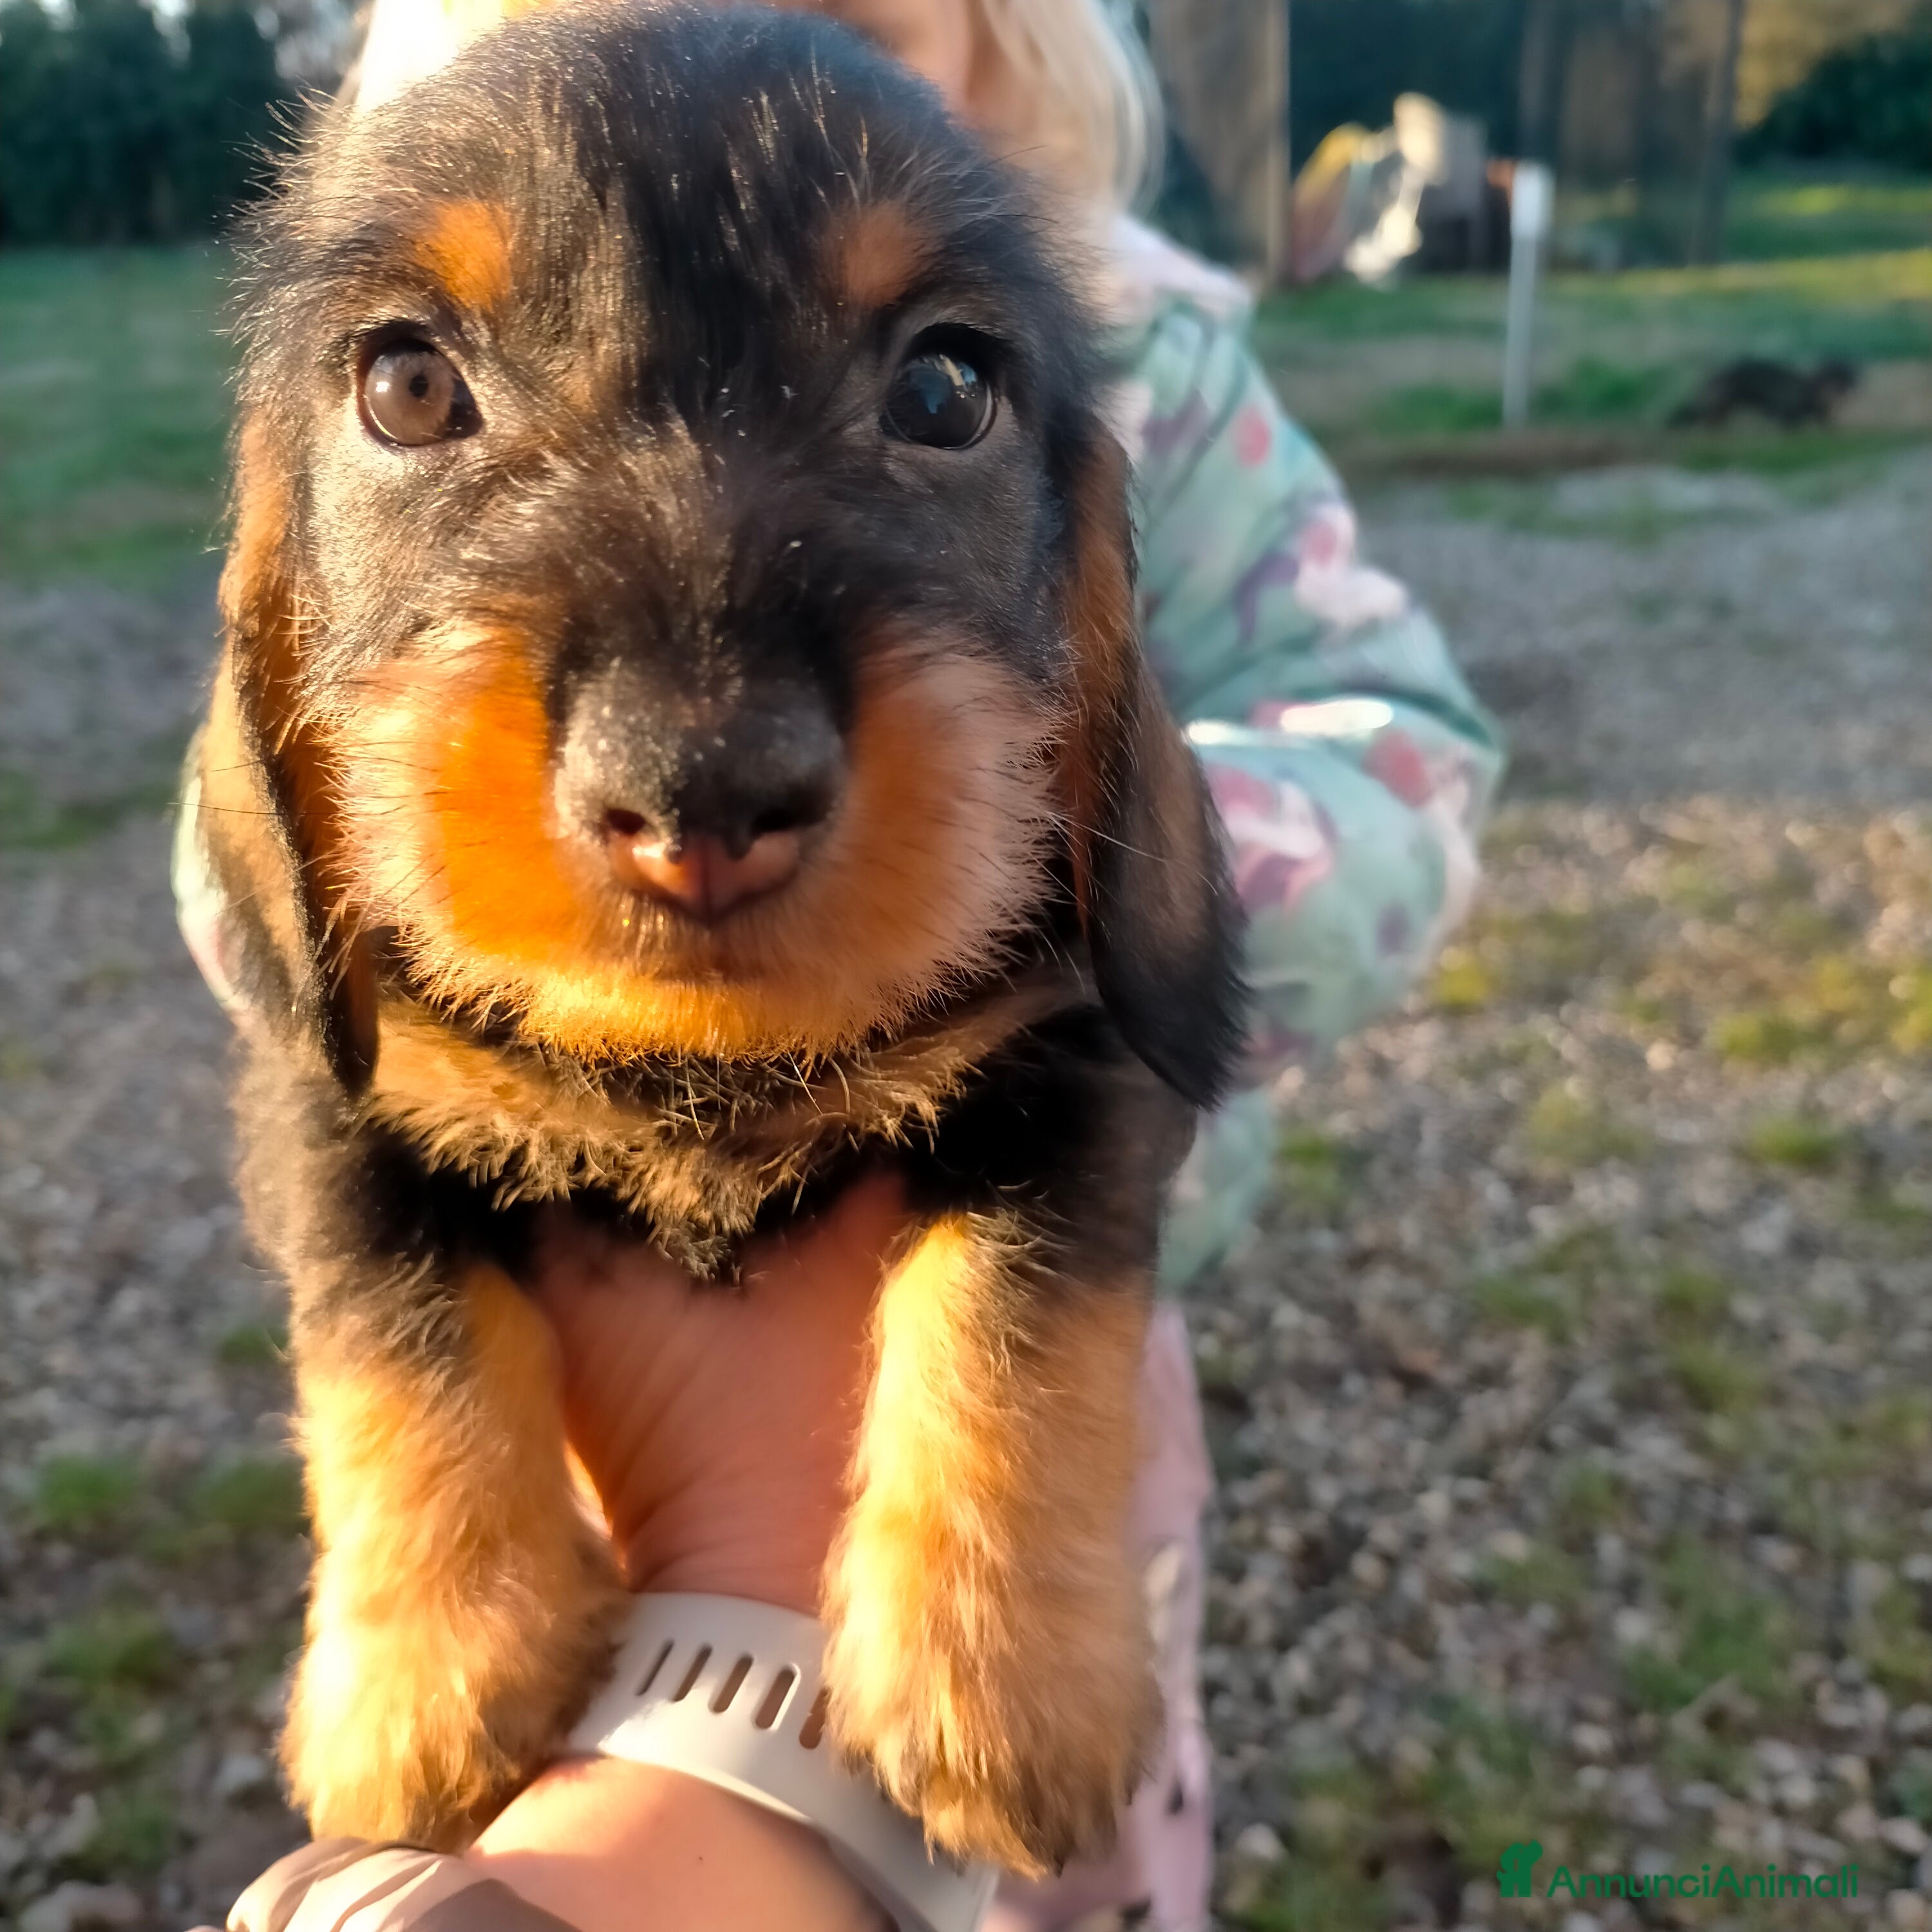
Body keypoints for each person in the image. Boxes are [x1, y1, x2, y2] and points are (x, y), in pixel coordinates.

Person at [184, 0, 1503, 1925]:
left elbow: (1386, 742)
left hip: (1030, 1424)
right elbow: (327, 1067)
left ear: (1003, 39)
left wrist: (1110, 842)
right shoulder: (342, 680)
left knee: (1060, 1793)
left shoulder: (1150, 351)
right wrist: (422, 1534)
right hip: (574, 1478)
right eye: (418, 392)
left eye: (938, 396)